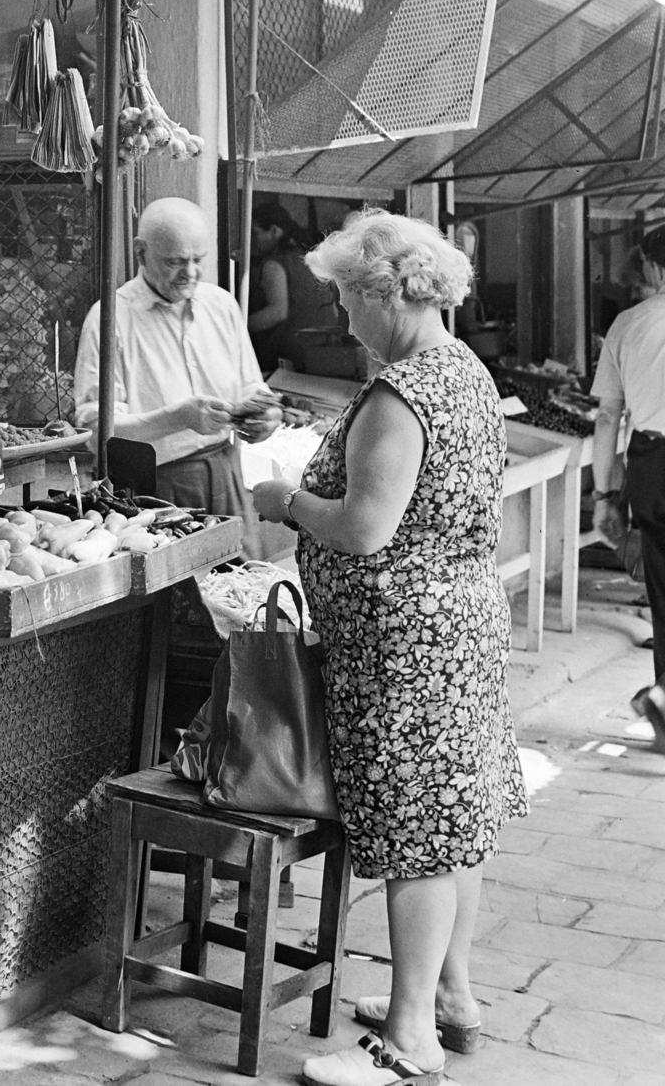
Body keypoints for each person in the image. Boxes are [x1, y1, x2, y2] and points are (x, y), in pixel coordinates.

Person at [253, 210, 525, 1086]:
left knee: (415, 836)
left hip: (405, 646)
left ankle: (410, 1041)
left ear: (381, 293)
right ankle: (451, 997)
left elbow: (366, 528)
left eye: (342, 297)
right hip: (460, 628)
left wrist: (285, 500)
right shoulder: (464, 372)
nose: (338, 316)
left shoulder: (401, 393)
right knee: (455, 827)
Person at [73, 196, 282, 529]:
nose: (190, 273)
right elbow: (94, 428)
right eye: (175, 261)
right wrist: (177, 418)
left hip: (225, 472)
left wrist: (265, 416)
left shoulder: (221, 305)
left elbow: (251, 387)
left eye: (198, 259)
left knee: (240, 578)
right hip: (153, 488)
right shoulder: (110, 318)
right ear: (141, 252)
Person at [591, 225, 665, 737]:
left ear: (655, 269)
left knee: (662, 587)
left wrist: (603, 495)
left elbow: (607, 419)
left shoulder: (629, 324)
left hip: (653, 465)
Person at [247, 199, 339, 371]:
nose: (251, 240)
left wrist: (238, 325)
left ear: (274, 231)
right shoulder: (311, 258)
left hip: (292, 357)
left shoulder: (274, 264)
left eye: (254, 233)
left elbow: (277, 312)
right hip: (326, 353)